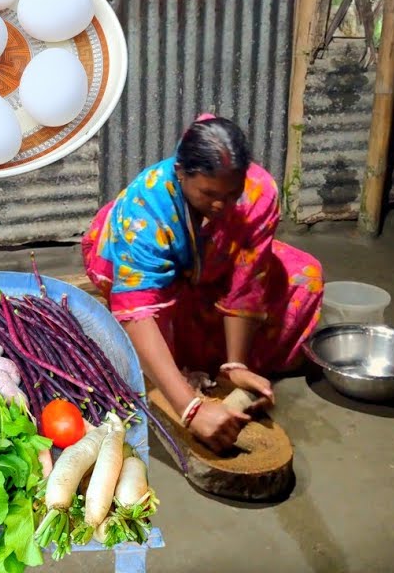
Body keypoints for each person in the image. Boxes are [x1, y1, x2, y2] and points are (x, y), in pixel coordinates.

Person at [81, 114, 323, 454]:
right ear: (181, 173)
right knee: (154, 345)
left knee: (304, 277)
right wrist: (189, 408)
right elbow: (137, 310)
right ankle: (171, 370)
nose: (222, 205)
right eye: (208, 193)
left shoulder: (256, 191)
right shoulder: (146, 208)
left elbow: (248, 278)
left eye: (232, 193)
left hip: (204, 260)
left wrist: (235, 365)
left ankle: (213, 358)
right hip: (133, 271)